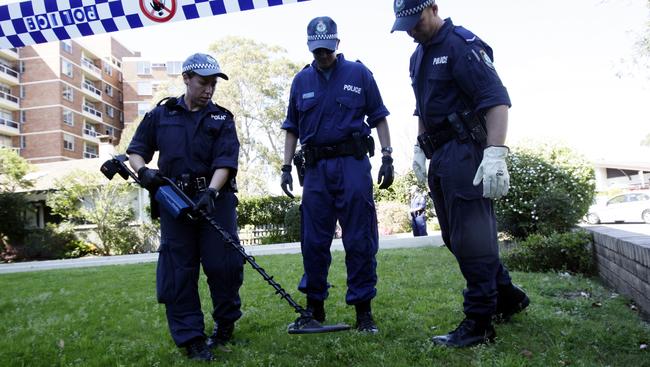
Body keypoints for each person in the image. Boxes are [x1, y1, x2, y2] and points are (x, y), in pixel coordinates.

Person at [391, 0, 530, 347]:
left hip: (466, 150)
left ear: (434, 8)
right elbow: (422, 108)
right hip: (440, 154)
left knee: (472, 238)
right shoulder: (418, 56)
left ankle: (480, 321)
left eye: (416, 21)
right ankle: (508, 296)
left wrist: (496, 153)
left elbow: (495, 99)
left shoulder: (462, 45)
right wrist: (420, 148)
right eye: (405, 25)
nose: (411, 30)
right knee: (456, 237)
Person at [280, 16, 394, 333]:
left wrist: (387, 157)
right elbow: (291, 128)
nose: (323, 56)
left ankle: (363, 312)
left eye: (327, 50)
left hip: (353, 165)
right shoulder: (300, 81)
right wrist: (286, 166)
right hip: (315, 170)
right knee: (313, 241)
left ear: (337, 44)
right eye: (317, 51)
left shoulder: (359, 73)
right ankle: (315, 309)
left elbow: (380, 117)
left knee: (360, 238)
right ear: (309, 48)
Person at [126, 53, 243, 361]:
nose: (209, 90)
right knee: (179, 270)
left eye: (213, 84)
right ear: (187, 78)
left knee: (224, 265)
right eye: (203, 83)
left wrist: (213, 193)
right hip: (174, 202)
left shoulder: (222, 118)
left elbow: (226, 162)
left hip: (214, 200)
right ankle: (191, 337)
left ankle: (226, 322)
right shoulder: (160, 115)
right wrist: (144, 173)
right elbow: (136, 152)